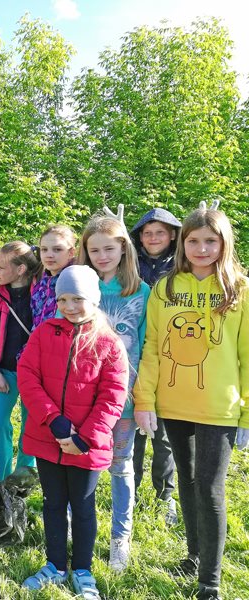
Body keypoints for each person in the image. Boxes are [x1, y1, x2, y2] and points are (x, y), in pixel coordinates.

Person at [134, 202, 249, 600]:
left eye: (210, 241)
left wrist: (247, 413)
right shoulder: (166, 288)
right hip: (172, 402)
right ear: (182, 243)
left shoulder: (239, 289)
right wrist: (144, 399)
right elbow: (152, 348)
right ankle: (194, 555)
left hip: (220, 406)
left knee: (211, 490)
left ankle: (210, 583)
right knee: (187, 479)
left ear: (224, 243)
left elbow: (247, 355)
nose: (202, 249)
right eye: (194, 240)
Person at [19, 265, 128, 600]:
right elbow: (27, 375)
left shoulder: (109, 343)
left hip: (86, 445)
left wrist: (85, 437)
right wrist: (53, 420)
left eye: (77, 298)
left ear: (93, 299)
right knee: (53, 503)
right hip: (47, 435)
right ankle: (55, 564)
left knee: (82, 507)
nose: (69, 306)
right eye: (63, 298)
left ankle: (82, 568)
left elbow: (113, 395)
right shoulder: (44, 332)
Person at [78, 213, 150, 572]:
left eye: (109, 248)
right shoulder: (79, 286)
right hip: (82, 396)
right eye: (95, 250)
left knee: (121, 467)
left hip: (123, 398)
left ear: (123, 248)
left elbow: (148, 345)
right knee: (82, 464)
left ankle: (120, 536)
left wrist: (143, 396)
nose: (102, 256)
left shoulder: (141, 291)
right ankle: (82, 528)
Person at [129, 207, 182, 525]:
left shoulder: (182, 267)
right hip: (134, 355)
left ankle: (165, 495)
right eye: (147, 233)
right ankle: (130, 491)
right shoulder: (130, 265)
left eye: (159, 232)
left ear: (173, 234)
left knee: (164, 433)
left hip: (170, 354)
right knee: (133, 427)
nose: (153, 238)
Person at [0, 241, 41, 481]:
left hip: (36, 375)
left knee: (31, 426)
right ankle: (3, 477)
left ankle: (23, 476)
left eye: (2, 267)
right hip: (5, 372)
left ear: (21, 269)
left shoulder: (41, 297)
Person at [32, 225, 77, 329]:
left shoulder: (75, 283)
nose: (49, 255)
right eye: (44, 249)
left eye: (57, 249)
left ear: (71, 252)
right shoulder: (40, 284)